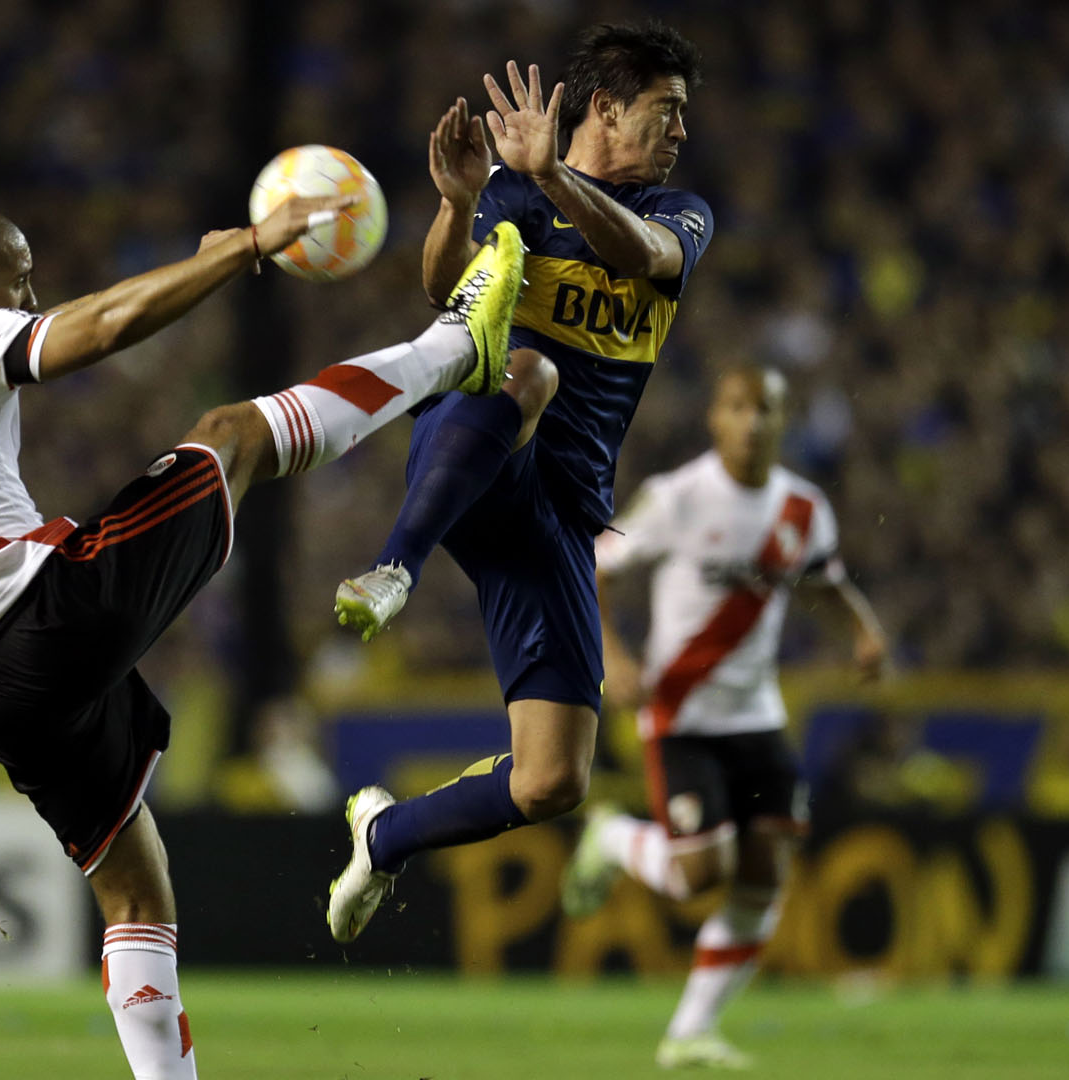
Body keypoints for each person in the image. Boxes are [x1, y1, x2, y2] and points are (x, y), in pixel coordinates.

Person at [0, 199, 525, 1080]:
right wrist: (238, 252)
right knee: (230, 436)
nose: (31, 298)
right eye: (19, 282)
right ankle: (457, 346)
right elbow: (102, 327)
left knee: (134, 892)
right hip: (45, 615)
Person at [325, 22, 716, 944]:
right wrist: (459, 204)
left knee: (552, 781)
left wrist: (552, 178)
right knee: (529, 372)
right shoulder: (512, 195)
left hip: (563, 513)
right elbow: (442, 292)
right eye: (667, 109)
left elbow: (642, 257)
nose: (681, 130)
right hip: (479, 449)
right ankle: (395, 567)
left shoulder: (679, 210)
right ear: (607, 108)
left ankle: (385, 837)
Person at [559, 365, 889, 1070]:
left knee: (764, 877)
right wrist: (611, 655)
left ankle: (689, 1032)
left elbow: (824, 583)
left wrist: (863, 630)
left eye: (765, 409)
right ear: (715, 418)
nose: (752, 422)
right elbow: (593, 565)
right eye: (738, 407)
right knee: (699, 875)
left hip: (757, 718)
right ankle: (612, 837)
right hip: (680, 716)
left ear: (783, 420)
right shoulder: (678, 497)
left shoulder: (803, 509)